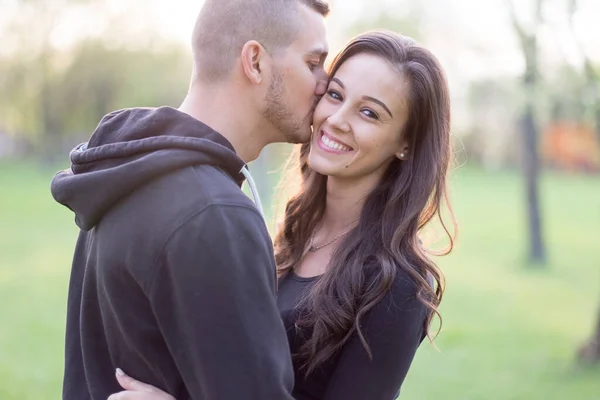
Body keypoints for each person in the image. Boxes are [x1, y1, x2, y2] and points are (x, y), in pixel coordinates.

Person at [106, 30, 456, 400]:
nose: (337, 119)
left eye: (369, 112)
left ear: (406, 143)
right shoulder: (291, 233)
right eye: (335, 95)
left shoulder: (397, 287)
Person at [50, 0, 330, 399]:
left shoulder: (131, 172)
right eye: (313, 62)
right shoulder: (212, 214)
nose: (325, 82)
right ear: (255, 62)